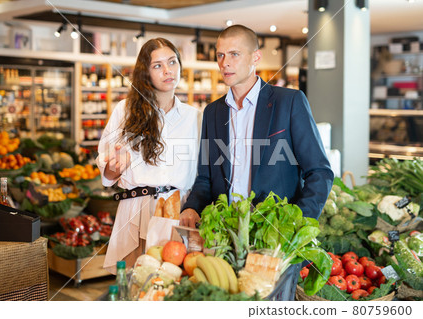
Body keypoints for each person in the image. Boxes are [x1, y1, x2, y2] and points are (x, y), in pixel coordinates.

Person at [181, 25, 334, 228]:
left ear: (256, 57)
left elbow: (319, 172)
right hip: (226, 235)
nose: (225, 63)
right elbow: (205, 178)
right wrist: (192, 207)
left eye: (234, 54)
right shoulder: (212, 112)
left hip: (276, 235)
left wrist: (298, 225)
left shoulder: (289, 102)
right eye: (220, 55)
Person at [96, 38, 201, 274]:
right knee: (136, 291)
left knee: (174, 288)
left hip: (179, 211)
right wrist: (114, 166)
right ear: (146, 72)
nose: (167, 71)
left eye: (172, 62)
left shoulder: (195, 117)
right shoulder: (125, 111)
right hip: (136, 210)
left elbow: (202, 174)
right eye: (158, 66)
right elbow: (107, 171)